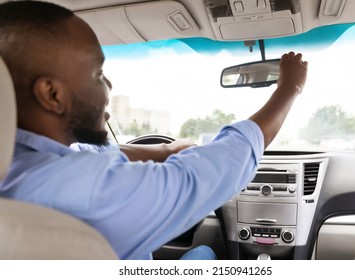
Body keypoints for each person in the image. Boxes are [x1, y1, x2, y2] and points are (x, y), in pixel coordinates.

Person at [0, 1, 308, 260]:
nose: (109, 86)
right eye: (98, 73)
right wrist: (288, 89)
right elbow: (208, 172)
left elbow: (98, 152)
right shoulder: (86, 190)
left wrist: (168, 149)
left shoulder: (21, 162)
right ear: (52, 95)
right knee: (205, 254)